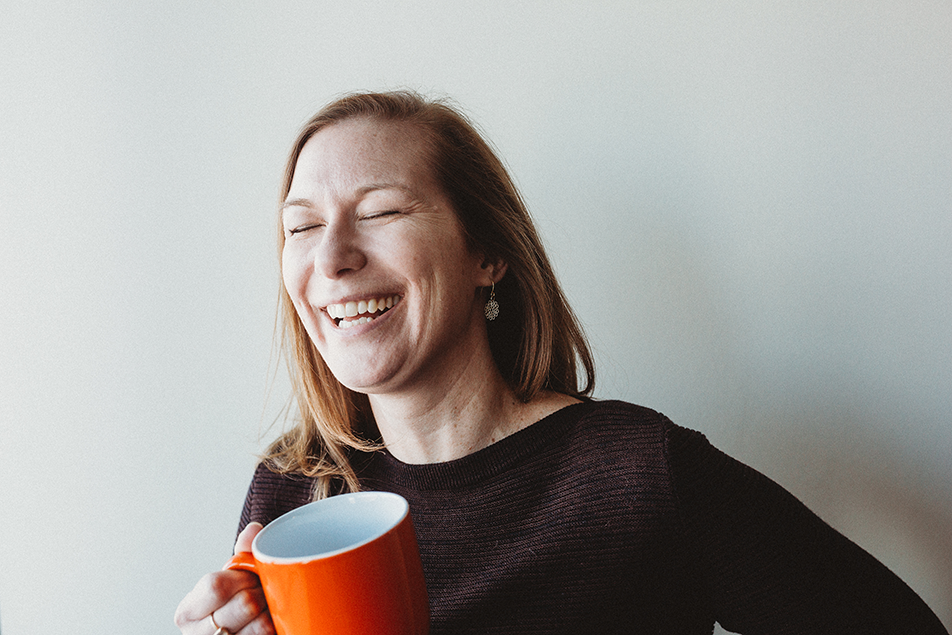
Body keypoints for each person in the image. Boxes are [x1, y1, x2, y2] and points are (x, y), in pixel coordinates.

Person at [175, 91, 948, 635]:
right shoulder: (293, 491)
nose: (333, 258)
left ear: (486, 255)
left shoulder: (636, 476)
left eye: (381, 211)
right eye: (301, 227)